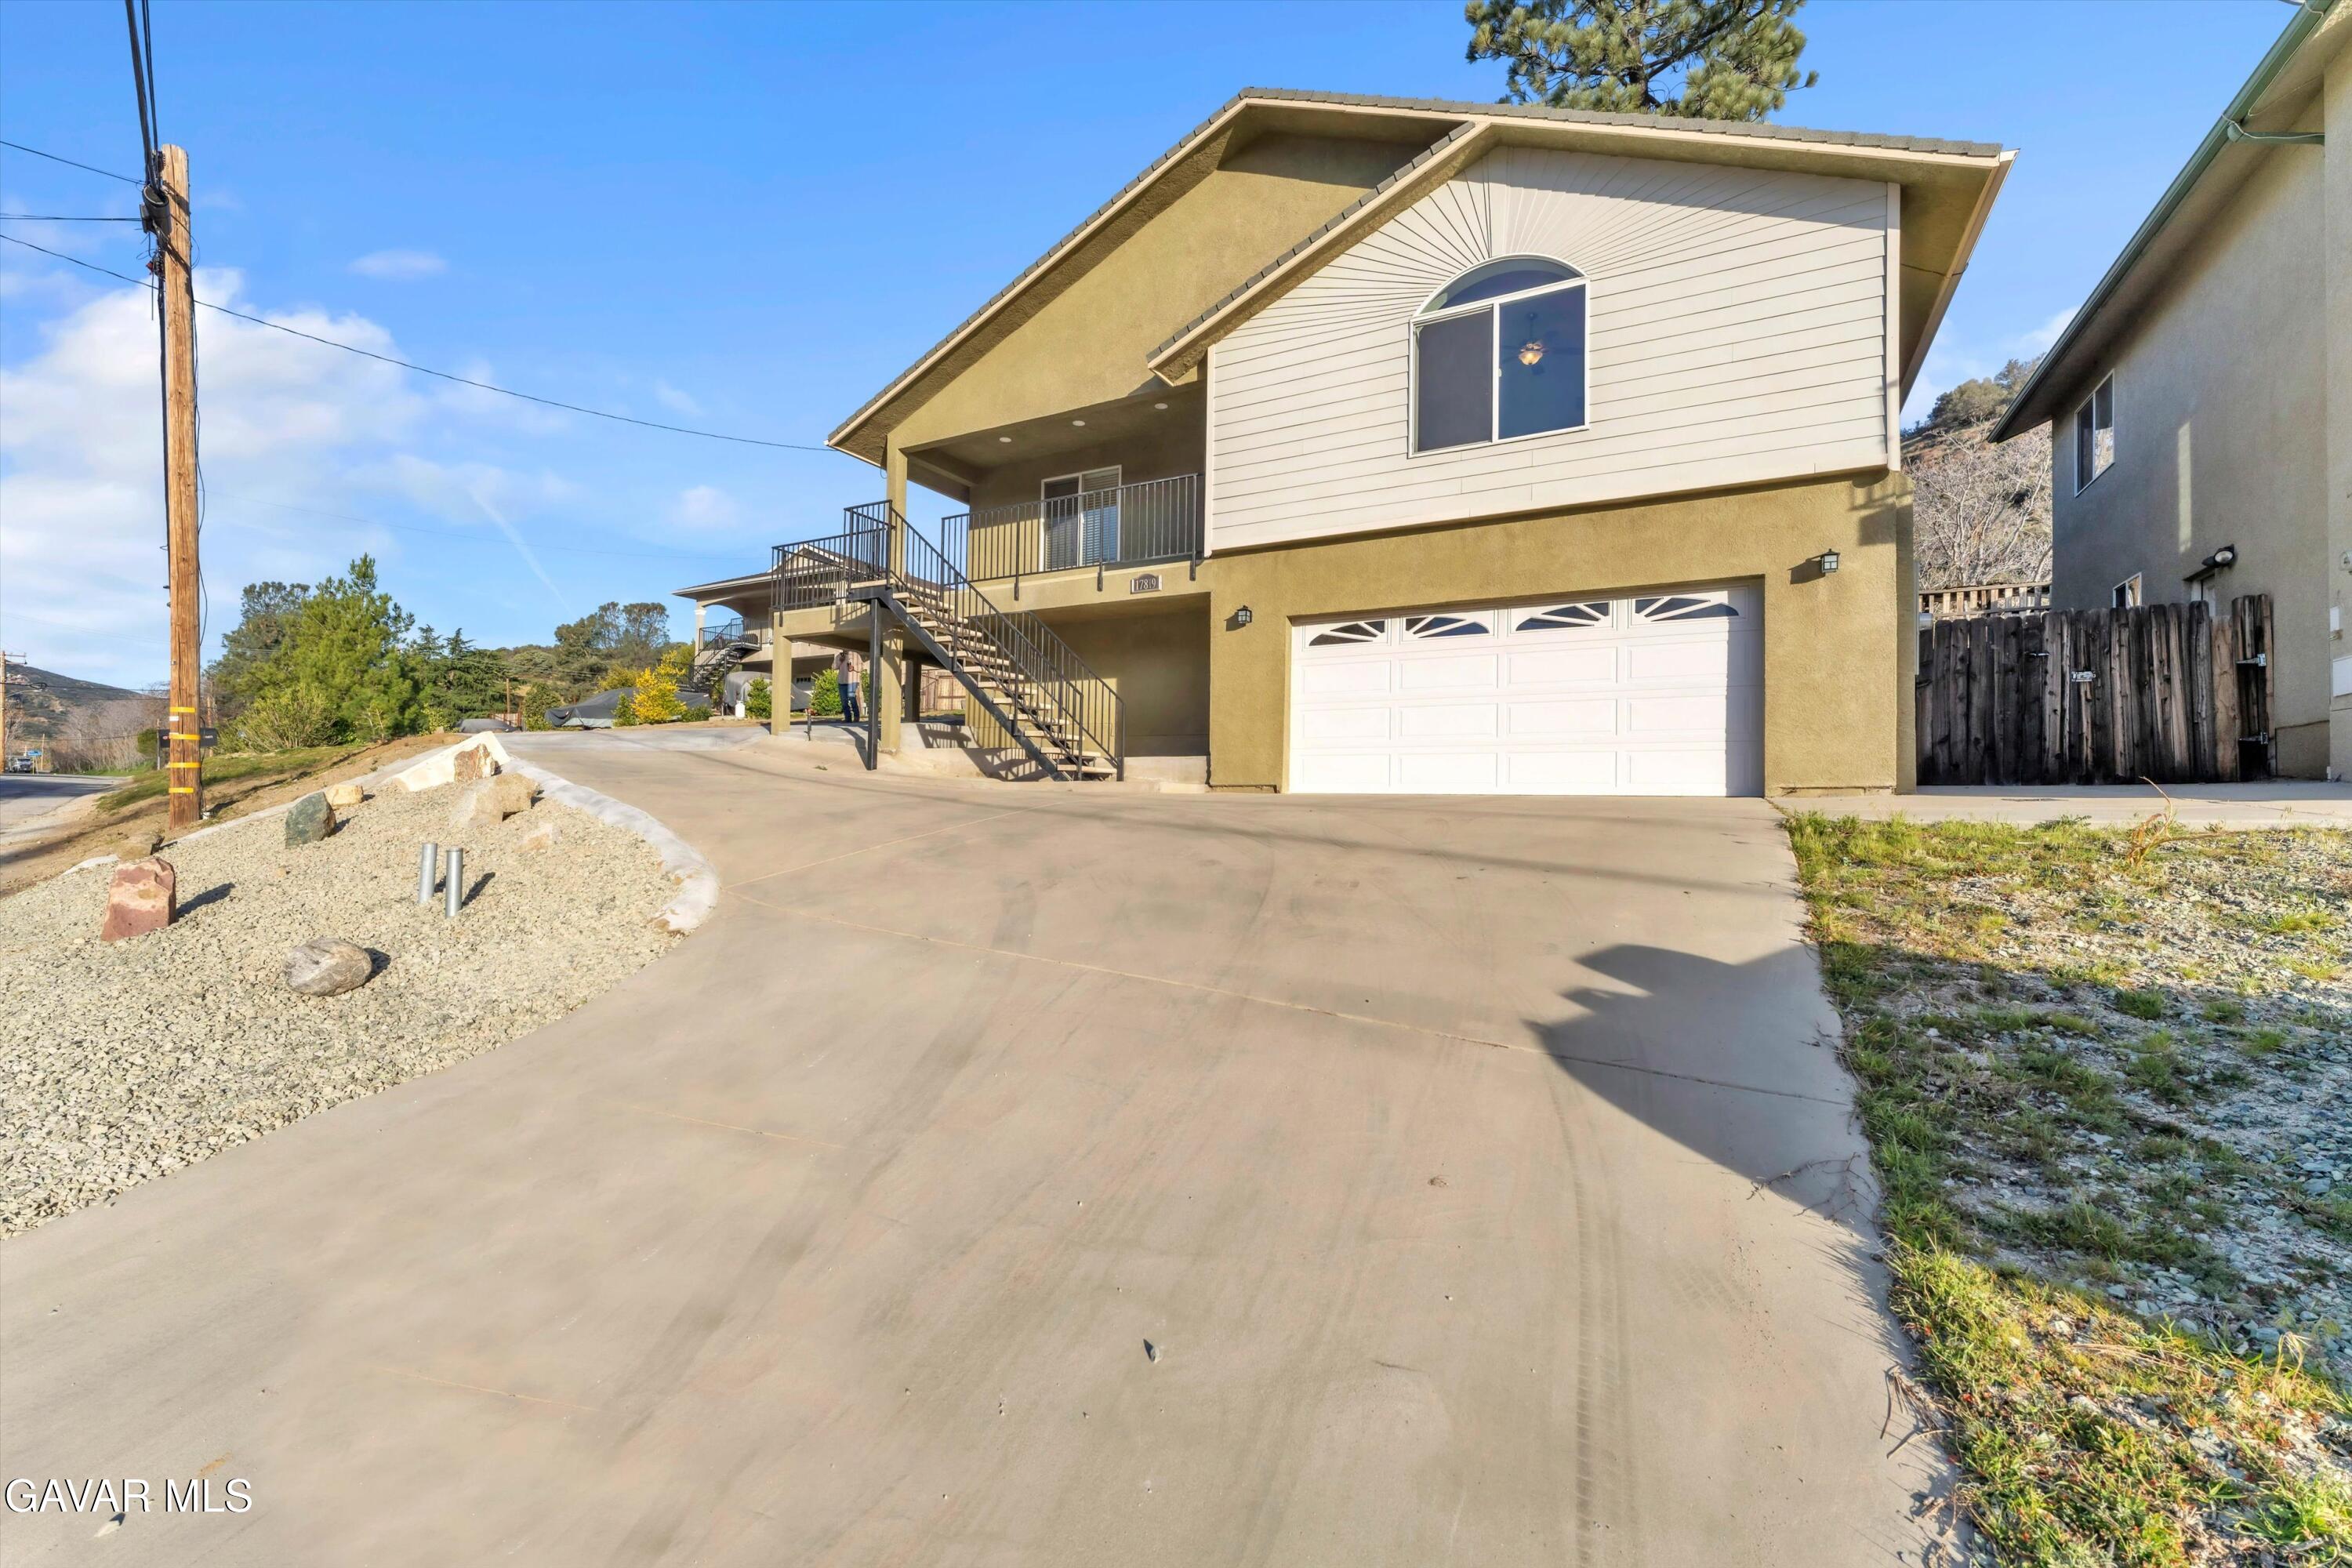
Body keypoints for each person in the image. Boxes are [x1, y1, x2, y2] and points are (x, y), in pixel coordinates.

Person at [837, 648, 862, 724]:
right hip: (842, 681)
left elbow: (861, 667)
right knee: (844, 701)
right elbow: (834, 667)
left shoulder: (856, 655)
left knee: (852, 698)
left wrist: (854, 668)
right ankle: (848, 718)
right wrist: (840, 661)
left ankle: (856, 717)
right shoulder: (839, 656)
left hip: (852, 681)